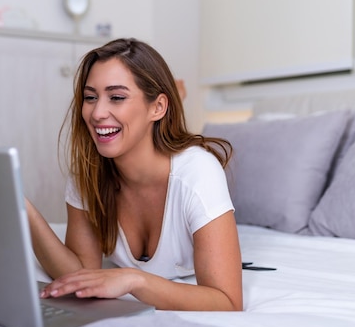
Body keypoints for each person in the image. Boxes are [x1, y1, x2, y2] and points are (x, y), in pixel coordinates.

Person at [26, 38, 242, 311]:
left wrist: (134, 280)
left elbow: (228, 302)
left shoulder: (199, 173)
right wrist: (24, 210)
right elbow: (80, 272)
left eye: (116, 97)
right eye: (90, 97)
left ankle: (176, 97)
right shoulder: (90, 171)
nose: (97, 113)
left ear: (158, 107)